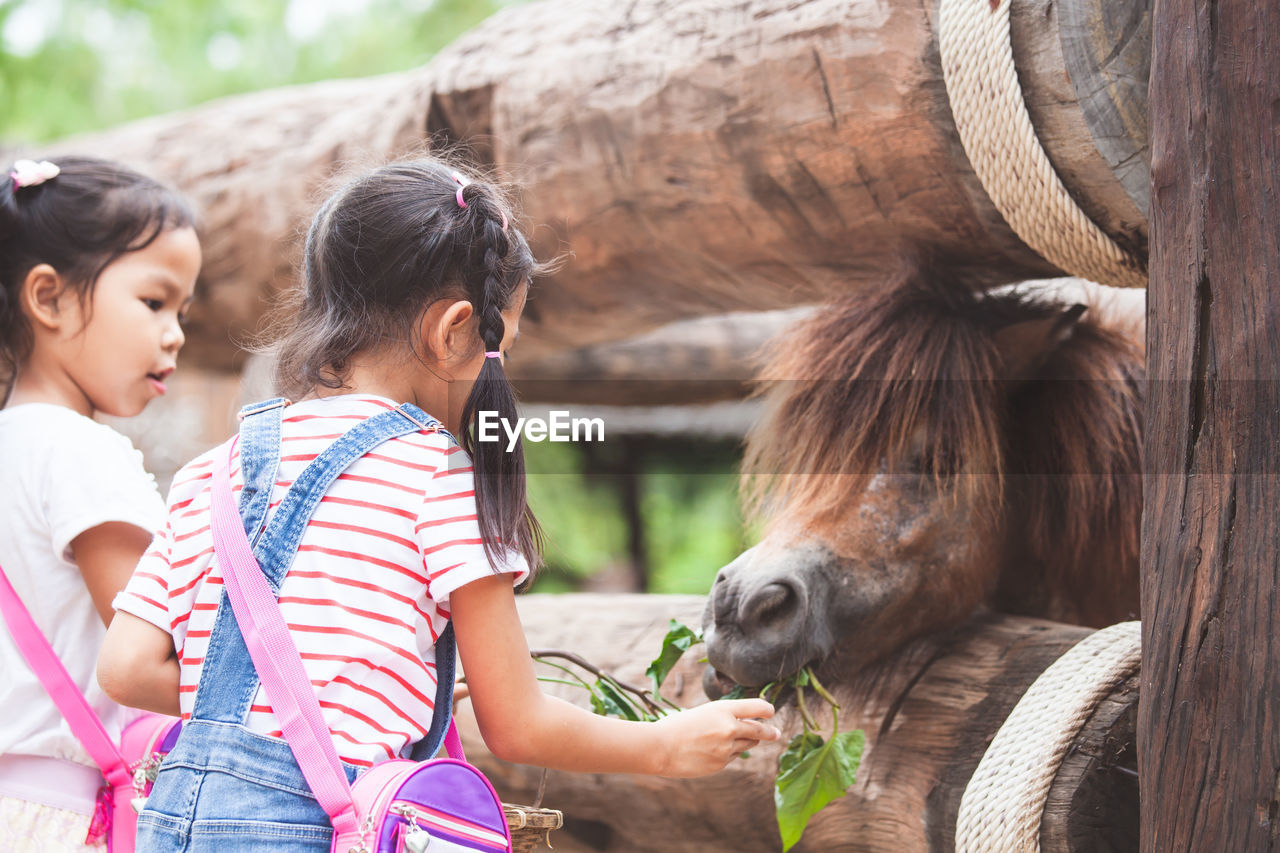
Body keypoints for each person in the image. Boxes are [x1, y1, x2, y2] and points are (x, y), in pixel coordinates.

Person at [98, 159, 780, 851]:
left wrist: (340, 684)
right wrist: (664, 744)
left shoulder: (214, 470)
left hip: (178, 824)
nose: (500, 373)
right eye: (500, 347)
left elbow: (125, 668)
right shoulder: (439, 474)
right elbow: (516, 722)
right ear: (454, 331)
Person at [0, 156, 201, 848]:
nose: (174, 332)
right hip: (58, 819)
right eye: (154, 302)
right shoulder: (81, 452)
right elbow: (155, 650)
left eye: (182, 310)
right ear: (49, 298)